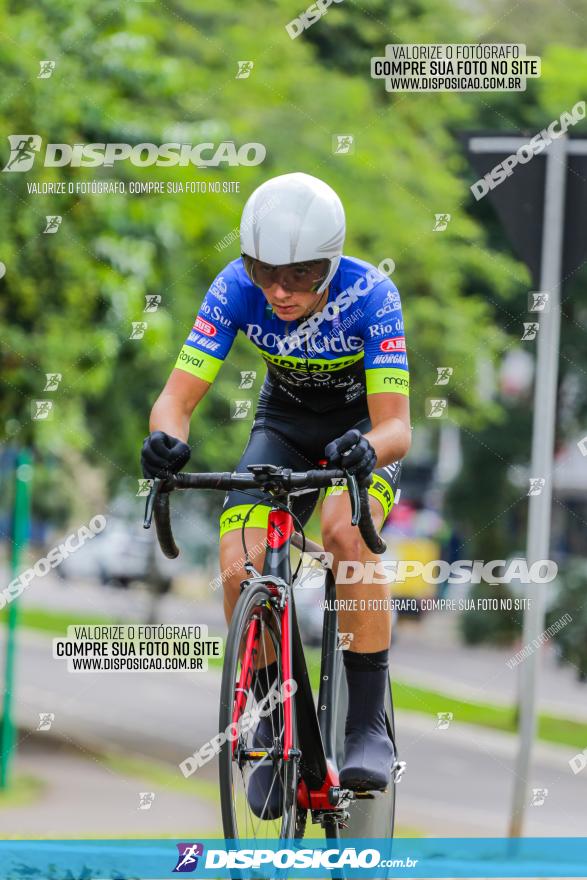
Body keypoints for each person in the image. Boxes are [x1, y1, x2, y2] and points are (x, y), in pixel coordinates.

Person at [141, 172, 411, 818]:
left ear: (333, 261)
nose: (279, 291)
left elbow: (397, 426)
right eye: (264, 271)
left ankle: (367, 724)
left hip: (361, 434)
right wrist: (164, 442)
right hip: (283, 428)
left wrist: (367, 451)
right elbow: (174, 402)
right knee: (238, 552)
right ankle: (268, 721)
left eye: (300, 274)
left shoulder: (371, 295)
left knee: (346, 534)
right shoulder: (235, 289)